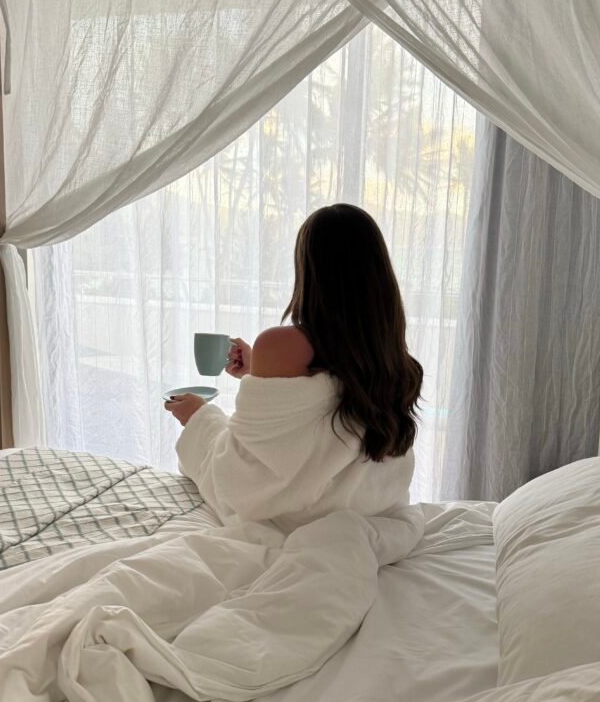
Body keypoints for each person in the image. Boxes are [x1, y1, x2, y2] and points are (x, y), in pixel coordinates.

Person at [164, 204, 423, 533]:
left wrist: (198, 418)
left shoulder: (280, 344)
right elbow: (331, 395)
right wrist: (259, 368)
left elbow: (240, 475)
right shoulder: (388, 355)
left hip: (298, 517)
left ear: (310, 269)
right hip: (372, 506)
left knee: (209, 428)